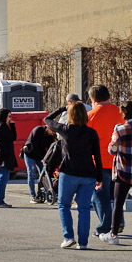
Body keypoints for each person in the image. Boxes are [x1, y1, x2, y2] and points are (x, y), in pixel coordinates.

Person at [44, 102, 103, 248]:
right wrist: (99, 177)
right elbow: (97, 156)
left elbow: (47, 119)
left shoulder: (66, 130)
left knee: (64, 205)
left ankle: (68, 237)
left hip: (69, 172)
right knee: (84, 208)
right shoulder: (92, 133)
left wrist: (62, 109)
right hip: (88, 174)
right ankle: (83, 243)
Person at [103, 101, 132, 247]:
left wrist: (114, 136)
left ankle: (113, 234)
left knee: (118, 203)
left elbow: (112, 150)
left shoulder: (120, 130)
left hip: (124, 171)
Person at [86, 85, 125, 235]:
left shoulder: (91, 115)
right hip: (119, 160)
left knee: (100, 196)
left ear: (93, 99)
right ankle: (118, 222)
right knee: (116, 196)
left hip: (98, 162)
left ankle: (106, 226)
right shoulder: (120, 112)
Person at [20, 120, 57, 203]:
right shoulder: (38, 130)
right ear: (48, 127)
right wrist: (43, 157)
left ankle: (45, 193)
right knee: (31, 173)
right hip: (29, 153)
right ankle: (33, 196)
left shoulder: (50, 136)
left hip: (39, 155)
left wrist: (47, 159)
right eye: (52, 131)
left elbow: (50, 149)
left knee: (43, 174)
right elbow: (34, 146)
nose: (52, 133)